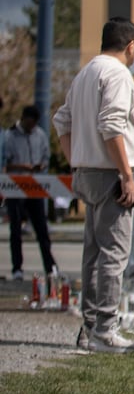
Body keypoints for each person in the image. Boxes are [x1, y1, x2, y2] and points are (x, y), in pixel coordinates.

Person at [52, 17, 134, 354]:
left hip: (87, 172)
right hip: (111, 173)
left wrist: (76, 158)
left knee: (92, 253)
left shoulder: (86, 72)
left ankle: (89, 328)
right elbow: (111, 125)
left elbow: (61, 120)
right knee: (113, 254)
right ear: (131, 45)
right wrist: (127, 174)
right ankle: (105, 329)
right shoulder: (119, 74)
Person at [5, 105, 56, 281]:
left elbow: (46, 157)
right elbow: (6, 163)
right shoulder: (10, 136)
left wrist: (40, 166)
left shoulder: (40, 135)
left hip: (35, 188)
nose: (30, 127)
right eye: (28, 123)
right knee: (16, 230)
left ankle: (50, 267)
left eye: (33, 124)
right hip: (15, 188)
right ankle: (17, 268)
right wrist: (24, 167)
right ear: (23, 119)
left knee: (41, 230)